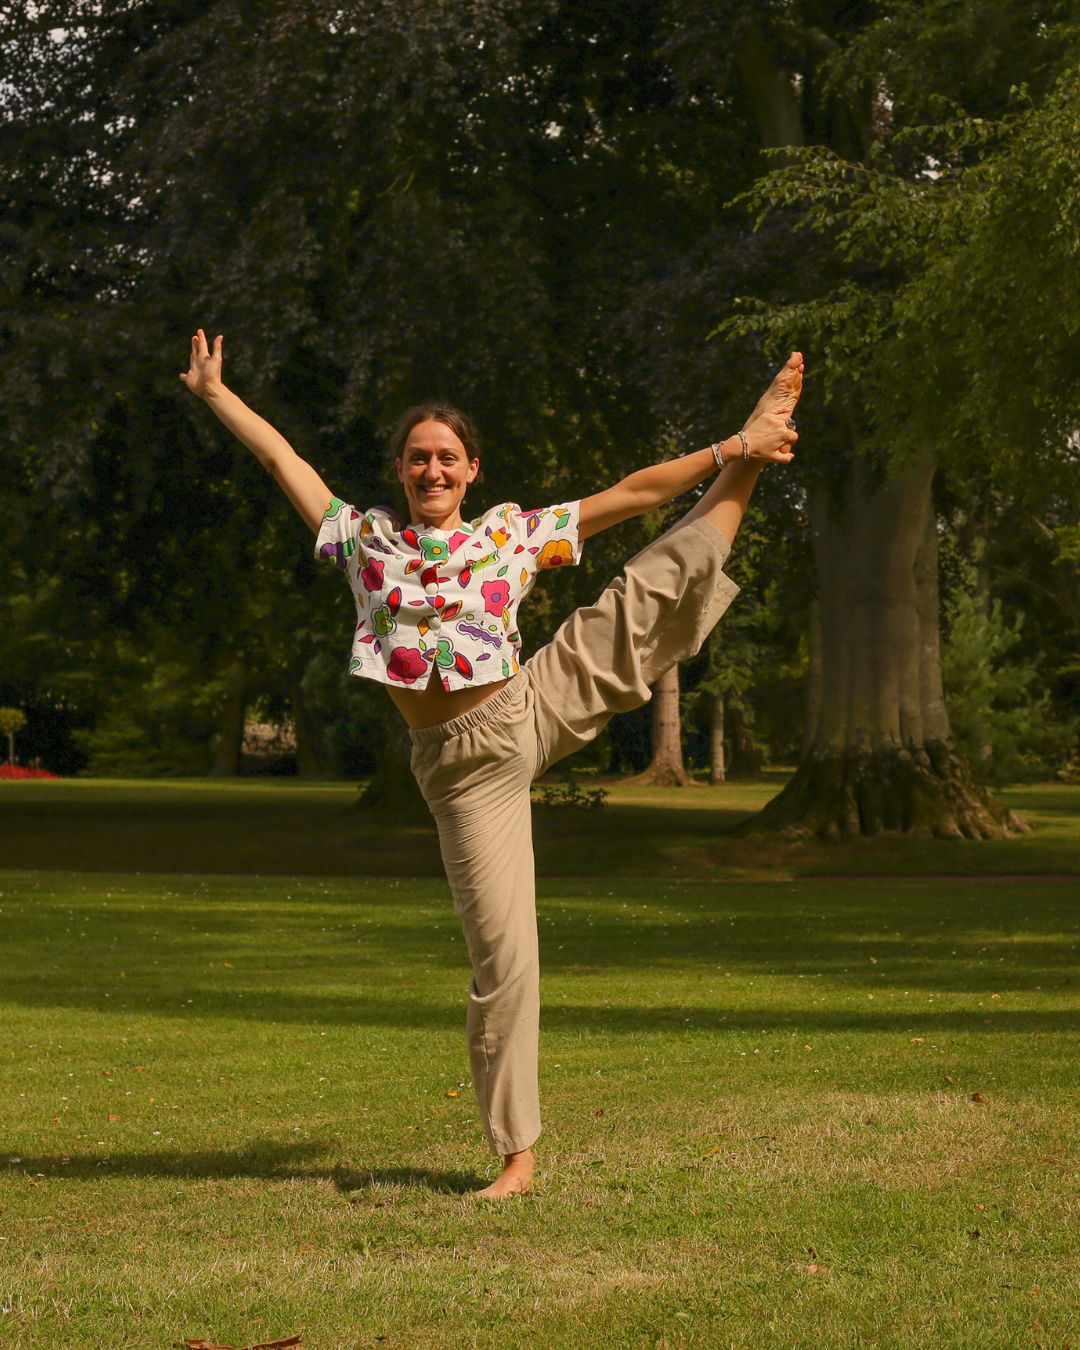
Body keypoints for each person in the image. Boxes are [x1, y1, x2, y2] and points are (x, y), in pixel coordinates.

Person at [181, 330, 803, 1198]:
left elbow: (630, 495)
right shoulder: (361, 540)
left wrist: (734, 446)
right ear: (400, 470)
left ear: (473, 468)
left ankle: (757, 452)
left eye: (446, 458)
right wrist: (216, 394)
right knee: (505, 956)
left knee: (652, 590)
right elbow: (284, 455)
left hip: (530, 702)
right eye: (416, 459)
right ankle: (518, 1152)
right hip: (463, 771)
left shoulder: (510, 534)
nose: (431, 470)